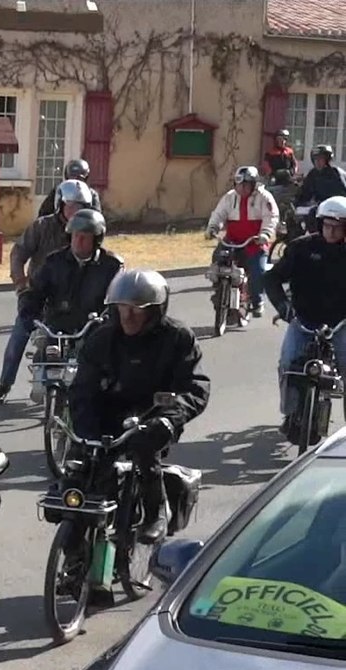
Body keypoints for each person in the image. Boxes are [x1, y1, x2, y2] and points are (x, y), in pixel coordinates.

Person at [68, 269, 211, 543]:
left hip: (154, 414)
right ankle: (73, 542)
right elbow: (82, 388)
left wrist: (171, 418)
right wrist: (84, 428)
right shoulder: (101, 339)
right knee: (83, 469)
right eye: (122, 308)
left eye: (136, 309)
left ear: (155, 310)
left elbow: (196, 386)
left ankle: (154, 510)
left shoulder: (178, 338)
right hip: (109, 412)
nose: (127, 316)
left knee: (145, 448)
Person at [0, 179, 96, 402]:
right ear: (60, 205)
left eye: (81, 208)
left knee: (91, 338)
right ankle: (5, 383)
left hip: (74, 297)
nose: (75, 212)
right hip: (40, 294)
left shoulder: (90, 231)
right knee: (20, 334)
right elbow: (18, 253)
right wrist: (21, 285)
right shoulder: (41, 227)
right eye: (71, 207)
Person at [18, 209, 124, 400]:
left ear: (96, 240)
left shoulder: (111, 266)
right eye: (75, 236)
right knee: (45, 354)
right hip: (58, 322)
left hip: (93, 325)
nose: (78, 241)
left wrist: (110, 319)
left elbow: (118, 299)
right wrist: (30, 318)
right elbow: (34, 292)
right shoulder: (54, 262)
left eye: (85, 237)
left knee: (102, 370)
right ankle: (37, 384)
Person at [264, 196, 346, 436]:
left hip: (341, 324)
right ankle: (289, 413)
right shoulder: (301, 248)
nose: (331, 231)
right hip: (303, 321)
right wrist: (283, 306)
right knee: (287, 364)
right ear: (320, 223)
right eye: (327, 225)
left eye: (338, 226)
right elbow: (272, 278)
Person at [205, 166, 279, 318]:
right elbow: (219, 214)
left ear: (254, 184)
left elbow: (271, 218)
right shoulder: (229, 197)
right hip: (231, 241)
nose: (242, 188)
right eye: (239, 184)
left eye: (246, 184)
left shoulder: (264, 197)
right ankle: (219, 290)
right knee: (217, 259)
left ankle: (257, 301)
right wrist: (213, 228)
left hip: (254, 243)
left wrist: (265, 234)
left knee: (258, 271)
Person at [37, 159, 104, 217]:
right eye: (72, 178)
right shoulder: (58, 191)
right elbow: (44, 213)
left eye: (79, 178)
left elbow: (96, 217)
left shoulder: (91, 194)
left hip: (81, 228)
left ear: (85, 178)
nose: (75, 181)